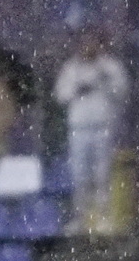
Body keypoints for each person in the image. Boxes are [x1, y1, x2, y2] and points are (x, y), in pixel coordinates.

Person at [54, 30, 127, 234]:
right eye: (85, 43)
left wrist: (104, 82)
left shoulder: (110, 66)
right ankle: (81, 219)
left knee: (102, 174)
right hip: (78, 128)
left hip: (102, 126)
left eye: (92, 42)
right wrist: (78, 89)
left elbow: (121, 92)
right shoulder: (71, 68)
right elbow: (61, 95)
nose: (88, 47)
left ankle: (104, 218)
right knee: (80, 176)